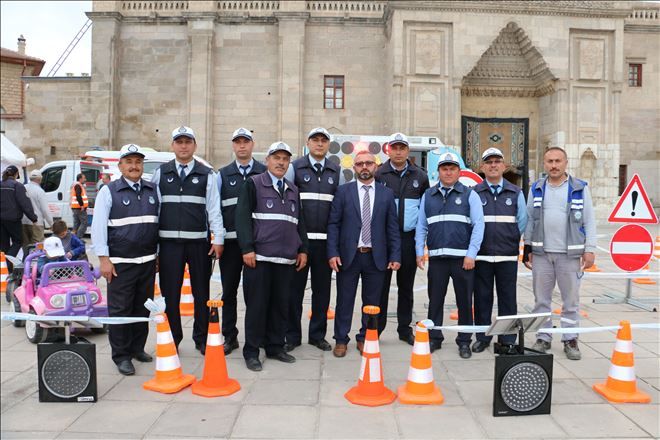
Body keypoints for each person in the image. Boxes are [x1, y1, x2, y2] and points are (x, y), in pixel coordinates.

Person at [235, 141, 308, 371]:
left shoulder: (293, 189)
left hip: (286, 259)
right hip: (260, 259)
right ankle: (252, 351)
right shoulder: (254, 184)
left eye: (285, 159)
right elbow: (242, 218)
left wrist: (303, 249)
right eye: (276, 158)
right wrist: (247, 248)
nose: (281, 162)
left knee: (280, 306)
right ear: (267, 160)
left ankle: (275, 346)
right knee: (257, 307)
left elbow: (299, 222)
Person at [152, 126, 224, 355]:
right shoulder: (161, 173)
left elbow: (214, 209)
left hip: (198, 245)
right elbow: (156, 210)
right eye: (179, 142)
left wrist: (218, 238)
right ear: (172, 145)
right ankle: (172, 338)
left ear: (194, 146)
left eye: (188, 142)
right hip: (169, 245)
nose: (183, 146)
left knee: (201, 292)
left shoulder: (207, 175)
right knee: (169, 295)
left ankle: (201, 338)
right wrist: (154, 247)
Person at [91, 143, 160, 375]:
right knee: (120, 311)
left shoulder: (152, 190)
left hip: (147, 261)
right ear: (120, 166)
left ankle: (137, 348)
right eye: (129, 162)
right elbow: (98, 227)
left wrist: (157, 254)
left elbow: (157, 225)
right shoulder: (108, 192)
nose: (134, 166)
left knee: (143, 308)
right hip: (120, 263)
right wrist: (103, 259)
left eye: (138, 162)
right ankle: (121, 356)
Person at [524, 147, 596, 361]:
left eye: (557, 161)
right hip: (542, 254)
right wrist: (527, 247)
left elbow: (589, 220)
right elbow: (530, 219)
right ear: (544, 164)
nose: (553, 165)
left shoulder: (579, 188)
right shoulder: (536, 188)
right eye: (549, 161)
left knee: (571, 301)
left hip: (569, 255)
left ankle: (570, 338)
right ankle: (543, 337)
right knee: (541, 300)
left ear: (566, 163)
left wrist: (590, 249)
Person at [327, 150, 401, 358]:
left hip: (376, 257)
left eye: (369, 163)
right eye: (360, 164)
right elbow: (334, 224)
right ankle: (341, 339)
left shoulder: (386, 194)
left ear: (376, 166)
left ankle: (364, 338)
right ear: (354, 168)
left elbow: (392, 228)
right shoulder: (343, 192)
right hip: (349, 256)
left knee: (372, 302)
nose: (365, 167)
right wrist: (332, 252)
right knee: (345, 300)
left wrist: (395, 255)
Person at [415, 152, 484, 359]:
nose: (448, 172)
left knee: (464, 302)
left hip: (463, 260)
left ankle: (464, 341)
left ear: (458, 172)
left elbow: (478, 226)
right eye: (444, 168)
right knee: (435, 300)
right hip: (437, 259)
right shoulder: (429, 195)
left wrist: (471, 254)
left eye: (452, 168)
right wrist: (420, 251)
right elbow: (421, 226)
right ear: (439, 172)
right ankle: (435, 338)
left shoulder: (470, 194)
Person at [284, 127, 340, 353]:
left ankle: (317, 335)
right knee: (293, 291)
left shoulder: (336, 170)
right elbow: (288, 204)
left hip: (325, 243)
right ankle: (292, 335)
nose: (319, 144)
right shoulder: (295, 168)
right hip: (300, 243)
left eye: (323, 141)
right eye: (315, 140)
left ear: (328, 145)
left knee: (322, 292)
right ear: (308, 143)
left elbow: (338, 209)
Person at [374, 133, 429, 345]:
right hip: (385, 240)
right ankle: (376, 329)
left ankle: (404, 329)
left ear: (408, 151)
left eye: (402, 148)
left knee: (406, 287)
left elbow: (425, 209)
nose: (398, 151)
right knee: (381, 286)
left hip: (408, 239)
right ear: (388, 150)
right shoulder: (380, 174)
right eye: (394, 147)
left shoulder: (420, 176)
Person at [472, 148, 527, 355]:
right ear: (482, 167)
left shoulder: (516, 192)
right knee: (482, 298)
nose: (493, 165)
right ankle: (482, 337)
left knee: (507, 299)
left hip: (506, 256)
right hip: (483, 256)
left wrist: (510, 237)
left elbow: (522, 222)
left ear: (504, 166)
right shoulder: (475, 193)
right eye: (489, 162)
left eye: (497, 161)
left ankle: (507, 339)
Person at [217, 127, 266, 355]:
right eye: (237, 142)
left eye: (246, 141)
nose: (242, 146)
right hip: (230, 244)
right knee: (229, 292)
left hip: (256, 246)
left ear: (252, 145)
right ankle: (229, 335)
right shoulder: (223, 174)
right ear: (233, 146)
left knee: (256, 293)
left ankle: (258, 335)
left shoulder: (263, 173)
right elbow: (216, 209)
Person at [1, 165, 37, 264]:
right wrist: (33, 218)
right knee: (17, 241)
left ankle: (4, 267)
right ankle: (7, 263)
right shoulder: (17, 186)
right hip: (13, 219)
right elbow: (25, 204)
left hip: (1, 220)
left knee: (4, 245)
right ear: (16, 174)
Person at [22, 170, 54, 252]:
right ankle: (35, 264)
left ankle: (26, 263)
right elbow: (45, 209)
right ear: (40, 179)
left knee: (26, 246)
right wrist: (51, 224)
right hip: (36, 222)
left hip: (23, 221)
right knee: (37, 246)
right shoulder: (40, 191)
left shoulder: (23, 188)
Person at [71, 173, 89, 240]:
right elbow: (78, 196)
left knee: (76, 224)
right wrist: (82, 205)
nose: (85, 179)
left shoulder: (76, 185)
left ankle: (73, 238)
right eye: (84, 178)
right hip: (79, 208)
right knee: (84, 223)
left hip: (75, 207)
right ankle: (78, 239)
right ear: (80, 179)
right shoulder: (78, 186)